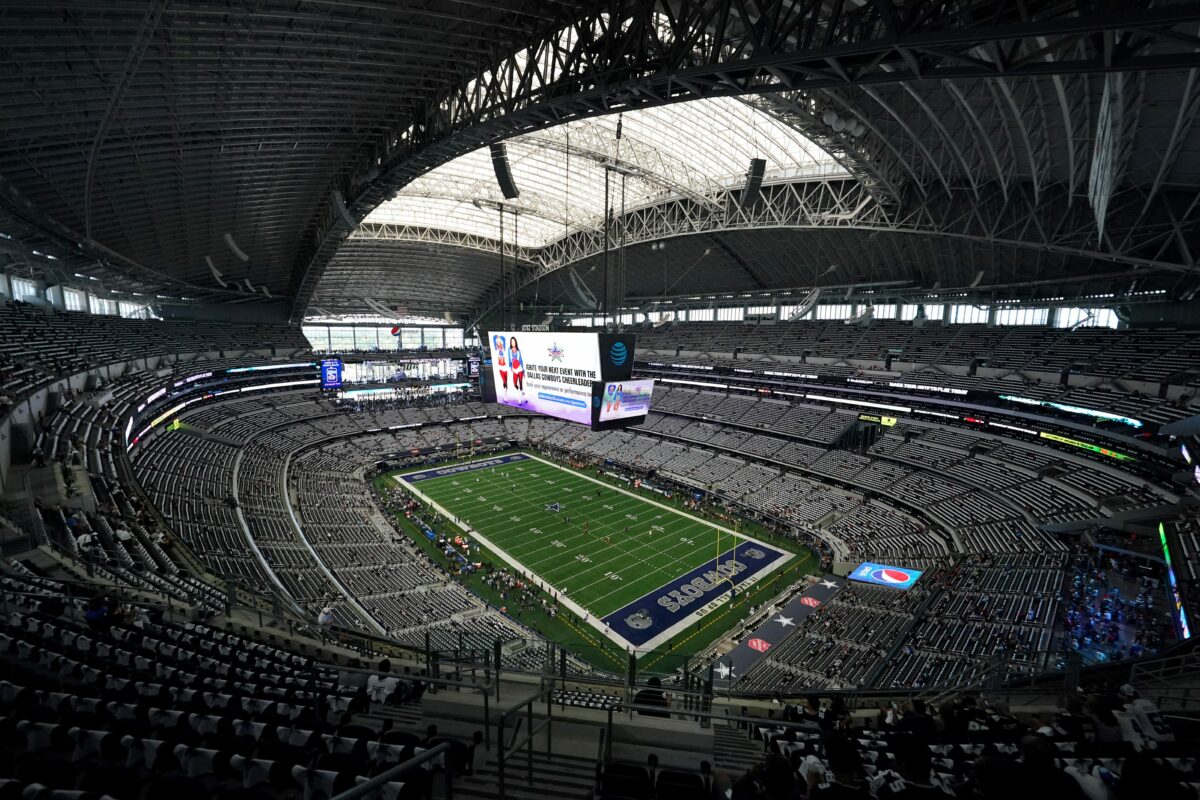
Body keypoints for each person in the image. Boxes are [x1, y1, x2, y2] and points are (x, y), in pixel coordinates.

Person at [508, 336, 525, 401]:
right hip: (514, 369)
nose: (513, 343)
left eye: (514, 341)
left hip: (520, 368)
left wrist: (523, 370)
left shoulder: (518, 351)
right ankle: (521, 393)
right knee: (515, 384)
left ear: (515, 342)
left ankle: (519, 400)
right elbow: (509, 360)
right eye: (512, 341)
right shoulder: (509, 350)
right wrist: (510, 367)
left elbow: (521, 360)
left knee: (520, 383)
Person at [492, 333, 508, 400]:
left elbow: (504, 338)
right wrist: (497, 336)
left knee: (506, 381)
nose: (500, 345)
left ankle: (506, 394)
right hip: (500, 368)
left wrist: (500, 337)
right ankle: (505, 395)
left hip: (505, 367)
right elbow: (493, 337)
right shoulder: (496, 350)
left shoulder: (504, 349)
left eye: (500, 343)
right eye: (498, 343)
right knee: (504, 381)